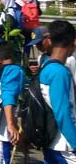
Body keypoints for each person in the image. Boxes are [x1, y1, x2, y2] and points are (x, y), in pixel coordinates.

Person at [39, 20, 76, 162]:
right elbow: (62, 112)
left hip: (52, 141)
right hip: (65, 145)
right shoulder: (60, 72)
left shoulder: (47, 66)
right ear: (72, 41)